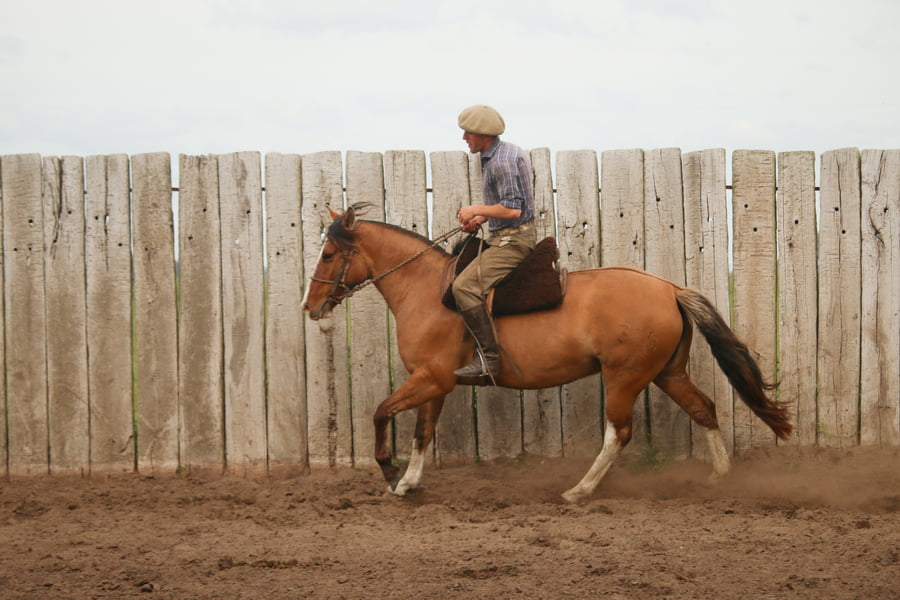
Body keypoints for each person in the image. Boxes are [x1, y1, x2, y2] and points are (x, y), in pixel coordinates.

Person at [451, 104, 536, 378]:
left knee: (463, 287)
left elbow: (513, 209)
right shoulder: (499, 153)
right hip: (504, 234)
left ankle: (488, 361)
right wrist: (480, 220)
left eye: (468, 133)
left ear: (483, 135)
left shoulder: (500, 161)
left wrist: (475, 209)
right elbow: (505, 208)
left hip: (513, 242)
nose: (465, 138)